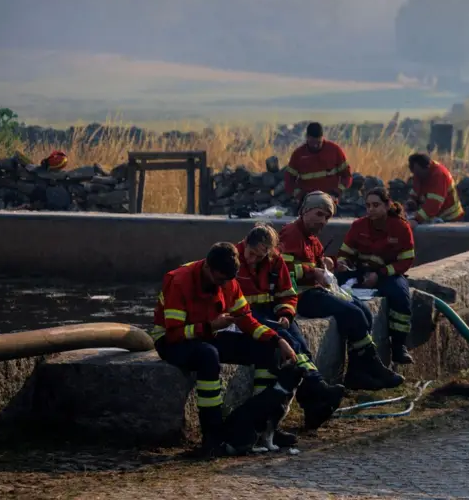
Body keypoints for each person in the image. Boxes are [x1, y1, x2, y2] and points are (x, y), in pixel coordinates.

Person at [151, 242, 297, 458]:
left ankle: (261, 425)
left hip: (209, 333)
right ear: (208, 268)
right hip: (172, 341)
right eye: (220, 280)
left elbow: (245, 319)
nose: (223, 286)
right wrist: (210, 326)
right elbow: (173, 333)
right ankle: (213, 436)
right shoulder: (180, 281)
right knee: (208, 355)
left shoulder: (228, 282)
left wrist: (277, 340)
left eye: (228, 280)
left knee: (267, 350)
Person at [278, 191, 403, 390]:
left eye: (327, 217)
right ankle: (372, 365)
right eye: (319, 214)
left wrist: (331, 264)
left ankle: (357, 371)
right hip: (300, 296)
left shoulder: (313, 238)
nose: (323, 221)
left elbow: (316, 263)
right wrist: (315, 272)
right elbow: (284, 270)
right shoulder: (291, 234)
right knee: (352, 313)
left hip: (315, 290)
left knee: (362, 310)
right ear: (305, 211)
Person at [235, 224, 345, 430]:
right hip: (244, 314)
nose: (253, 260)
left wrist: (285, 313)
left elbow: (287, 293)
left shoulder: (275, 261)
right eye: (251, 254)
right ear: (246, 244)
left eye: (260, 257)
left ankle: (314, 396)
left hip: (270, 312)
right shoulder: (233, 258)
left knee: (298, 340)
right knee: (289, 342)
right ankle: (317, 390)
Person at [336, 186, 417, 365]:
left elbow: (406, 261)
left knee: (400, 297)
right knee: (333, 286)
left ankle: (398, 346)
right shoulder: (358, 226)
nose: (371, 209)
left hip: (389, 274)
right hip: (359, 271)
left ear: (387, 205)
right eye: (368, 205)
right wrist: (342, 263)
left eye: (376, 205)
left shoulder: (401, 227)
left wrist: (379, 275)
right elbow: (345, 252)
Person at [283, 122, 353, 209]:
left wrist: (336, 192)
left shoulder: (334, 150)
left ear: (323, 138)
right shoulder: (298, 154)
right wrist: (299, 195)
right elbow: (289, 179)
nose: (315, 145)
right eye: (312, 142)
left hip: (330, 200)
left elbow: (347, 176)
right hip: (307, 202)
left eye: (318, 142)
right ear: (307, 138)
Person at [405, 152, 463, 228]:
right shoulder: (420, 172)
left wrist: (416, 219)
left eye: (418, 173)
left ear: (427, 167)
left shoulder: (439, 175)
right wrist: (412, 201)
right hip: (436, 217)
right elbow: (416, 190)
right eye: (414, 173)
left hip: (451, 220)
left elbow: (434, 204)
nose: (416, 176)